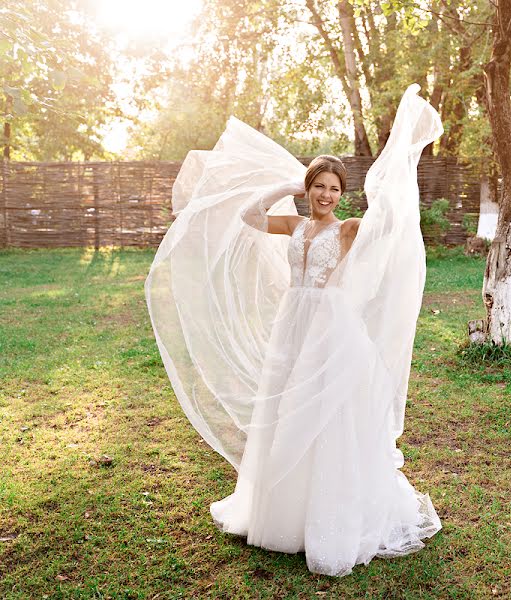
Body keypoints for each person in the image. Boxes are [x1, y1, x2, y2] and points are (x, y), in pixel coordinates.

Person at [145, 85, 442, 576]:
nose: (325, 195)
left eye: (333, 189)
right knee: (285, 405)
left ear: (341, 196)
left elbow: (388, 226)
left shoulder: (345, 229)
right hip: (293, 322)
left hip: (331, 325)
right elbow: (248, 215)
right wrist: (286, 186)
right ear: (309, 189)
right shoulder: (294, 225)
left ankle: (330, 512)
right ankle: (282, 513)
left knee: (326, 410)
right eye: (318, 186)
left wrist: (399, 161)